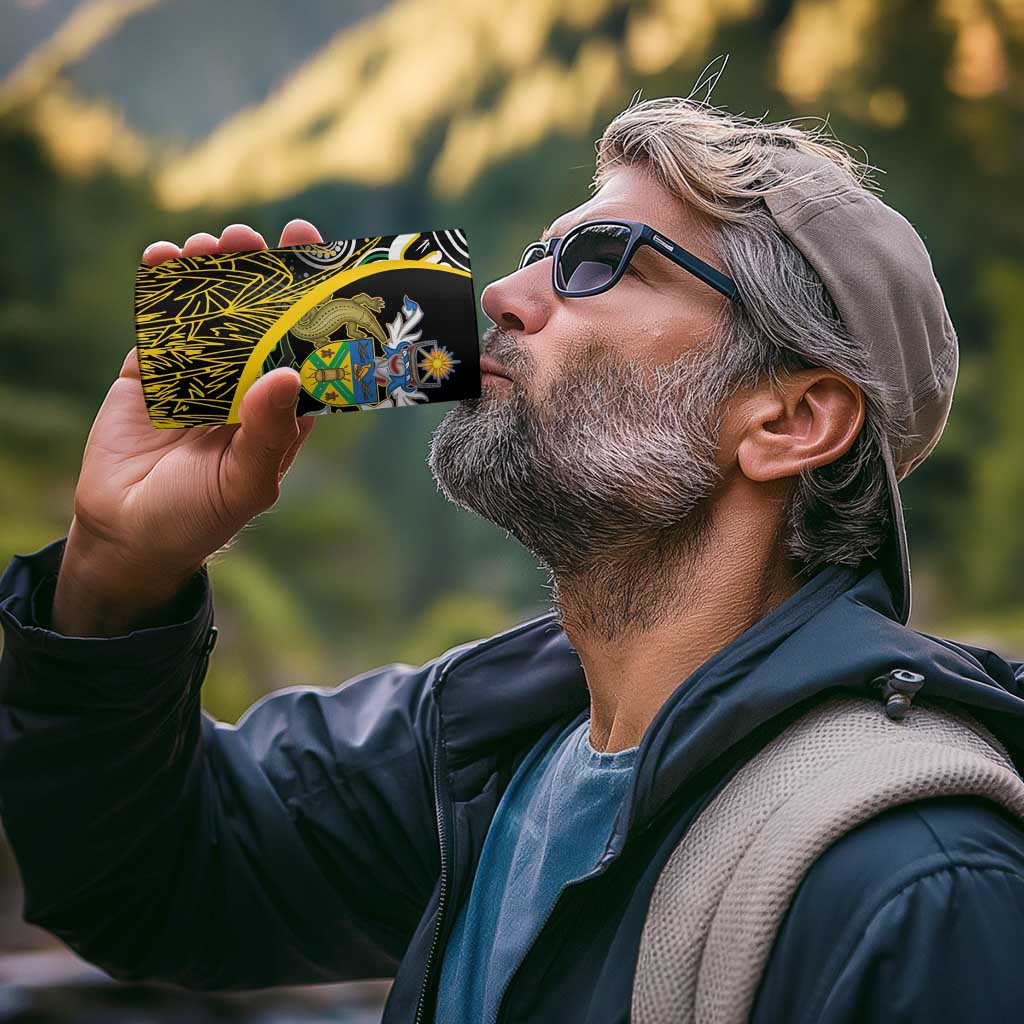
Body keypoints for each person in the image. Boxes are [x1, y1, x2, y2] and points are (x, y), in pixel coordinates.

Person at [2, 94, 1024, 1024]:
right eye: (539, 252)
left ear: (791, 419)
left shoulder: (918, 883)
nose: (499, 292)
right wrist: (116, 571)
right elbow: (149, 880)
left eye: (599, 261)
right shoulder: (480, 747)